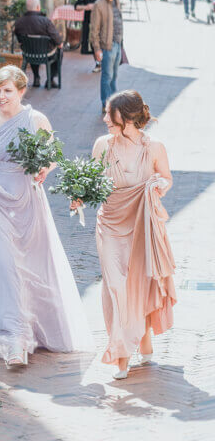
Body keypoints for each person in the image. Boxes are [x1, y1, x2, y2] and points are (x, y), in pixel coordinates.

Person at [0, 65, 93, 367]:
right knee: (4, 264)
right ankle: (15, 339)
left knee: (29, 265)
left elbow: (53, 155)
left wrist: (46, 168)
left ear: (20, 92)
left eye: (7, 91)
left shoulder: (36, 119)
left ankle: (34, 328)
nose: (0, 96)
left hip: (26, 198)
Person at [74, 91, 175, 380]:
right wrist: (78, 196)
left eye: (110, 114)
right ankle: (120, 353)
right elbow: (91, 180)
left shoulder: (154, 147)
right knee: (116, 287)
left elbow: (167, 178)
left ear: (127, 118)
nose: (105, 118)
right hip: (110, 223)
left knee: (139, 284)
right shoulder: (102, 145)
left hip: (143, 222)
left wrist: (159, 183)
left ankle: (143, 340)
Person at [90, 0, 124, 115]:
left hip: (117, 44)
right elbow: (94, 30)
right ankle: (106, 103)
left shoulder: (116, 1)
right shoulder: (99, 5)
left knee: (114, 76)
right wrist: (97, 49)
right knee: (107, 76)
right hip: (107, 46)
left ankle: (114, 103)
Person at [13, 0, 63, 88]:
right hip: (46, 53)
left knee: (32, 49)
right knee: (59, 51)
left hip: (28, 53)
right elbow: (57, 39)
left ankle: (36, 77)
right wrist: (59, 43)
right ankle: (50, 79)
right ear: (38, 7)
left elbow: (18, 36)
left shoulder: (19, 22)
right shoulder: (45, 21)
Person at [74, 0, 101, 71]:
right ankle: (98, 63)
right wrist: (86, 7)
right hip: (88, 21)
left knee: (101, 42)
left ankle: (102, 62)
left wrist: (96, 6)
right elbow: (76, 6)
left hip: (100, 21)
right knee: (93, 42)